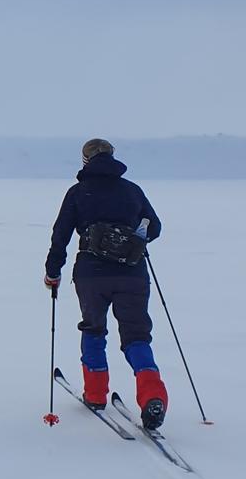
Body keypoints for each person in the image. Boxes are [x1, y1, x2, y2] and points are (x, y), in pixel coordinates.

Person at [44, 138, 171, 428]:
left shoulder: (78, 192)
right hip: (132, 273)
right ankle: (153, 395)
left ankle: (96, 394)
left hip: (90, 275)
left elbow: (60, 234)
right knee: (137, 335)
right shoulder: (132, 191)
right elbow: (156, 227)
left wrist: (53, 272)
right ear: (112, 157)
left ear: (85, 160)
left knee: (93, 328)